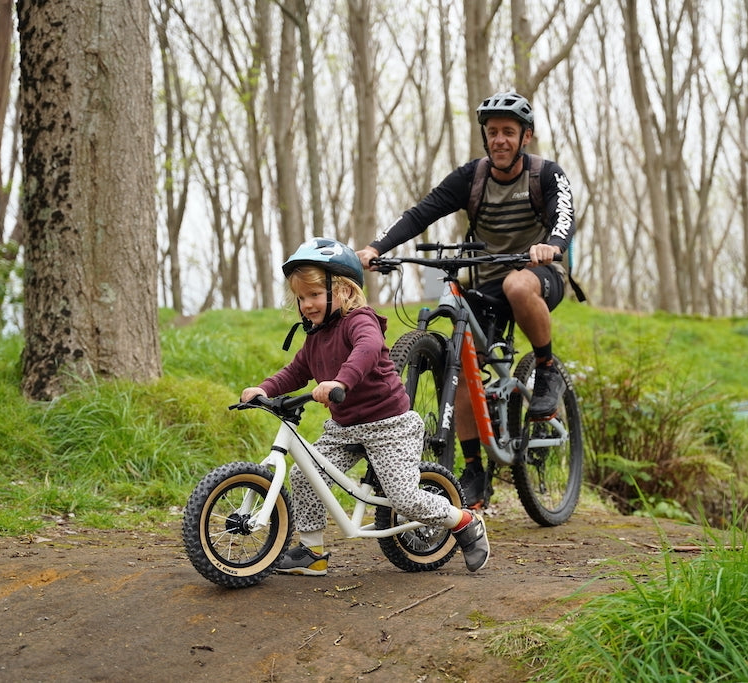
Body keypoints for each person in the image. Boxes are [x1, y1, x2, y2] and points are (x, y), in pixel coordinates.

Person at [356, 91, 575, 508]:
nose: (500, 140)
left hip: (539, 275)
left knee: (516, 284)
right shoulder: (472, 177)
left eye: (509, 132)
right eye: (493, 133)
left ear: (525, 136)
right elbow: (422, 212)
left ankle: (546, 369)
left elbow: (565, 215)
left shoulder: (545, 174)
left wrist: (552, 244)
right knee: (462, 359)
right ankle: (474, 469)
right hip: (487, 283)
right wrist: (377, 248)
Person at [240, 237, 490, 575]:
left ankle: (463, 521)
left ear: (343, 291)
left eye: (314, 294)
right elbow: (297, 371)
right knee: (303, 476)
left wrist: (341, 381)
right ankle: (312, 553)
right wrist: (264, 389)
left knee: (404, 499)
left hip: (390, 425)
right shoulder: (315, 336)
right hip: (344, 429)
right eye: (301, 297)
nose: (307, 304)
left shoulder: (360, 321)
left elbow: (367, 349)